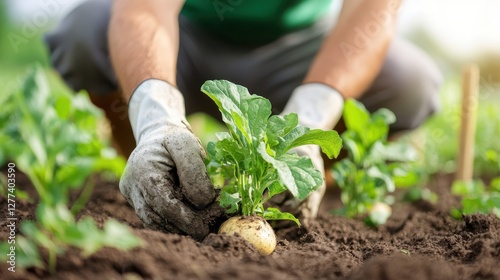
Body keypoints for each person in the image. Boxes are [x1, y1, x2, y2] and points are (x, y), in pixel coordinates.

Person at [45, 0, 442, 240]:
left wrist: (305, 123)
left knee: (410, 82)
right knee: (83, 33)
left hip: (303, 50)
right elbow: (144, 8)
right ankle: (152, 165)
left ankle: (300, 180)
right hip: (184, 35)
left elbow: (372, 13)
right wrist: (155, 118)